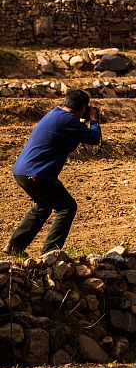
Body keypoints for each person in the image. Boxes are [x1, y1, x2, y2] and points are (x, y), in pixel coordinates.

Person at [5, 90, 101, 258]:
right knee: (67, 207)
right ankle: (50, 253)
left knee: (43, 206)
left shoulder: (55, 114)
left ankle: (15, 246)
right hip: (38, 174)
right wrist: (93, 121)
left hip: (22, 171)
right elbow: (94, 138)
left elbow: (70, 146)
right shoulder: (68, 121)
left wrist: (82, 122)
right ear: (84, 107)